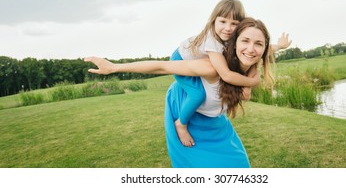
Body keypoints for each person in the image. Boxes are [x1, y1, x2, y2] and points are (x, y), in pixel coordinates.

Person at [85, 17, 277, 168]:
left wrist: (251, 81)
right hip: (188, 116)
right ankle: (181, 126)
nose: (251, 49)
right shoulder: (211, 67)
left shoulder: (251, 65)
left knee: (240, 167)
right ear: (234, 43)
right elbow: (162, 67)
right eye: (245, 41)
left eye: (258, 44)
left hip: (217, 123)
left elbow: (266, 51)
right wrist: (114, 67)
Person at [169, 0, 290, 147]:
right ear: (214, 21)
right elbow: (226, 74)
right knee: (197, 94)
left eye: (234, 23)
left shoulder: (230, 39)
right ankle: (181, 124)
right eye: (223, 22)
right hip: (179, 61)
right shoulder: (211, 41)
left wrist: (280, 46)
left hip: (196, 62)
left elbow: (259, 48)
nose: (228, 28)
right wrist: (250, 83)